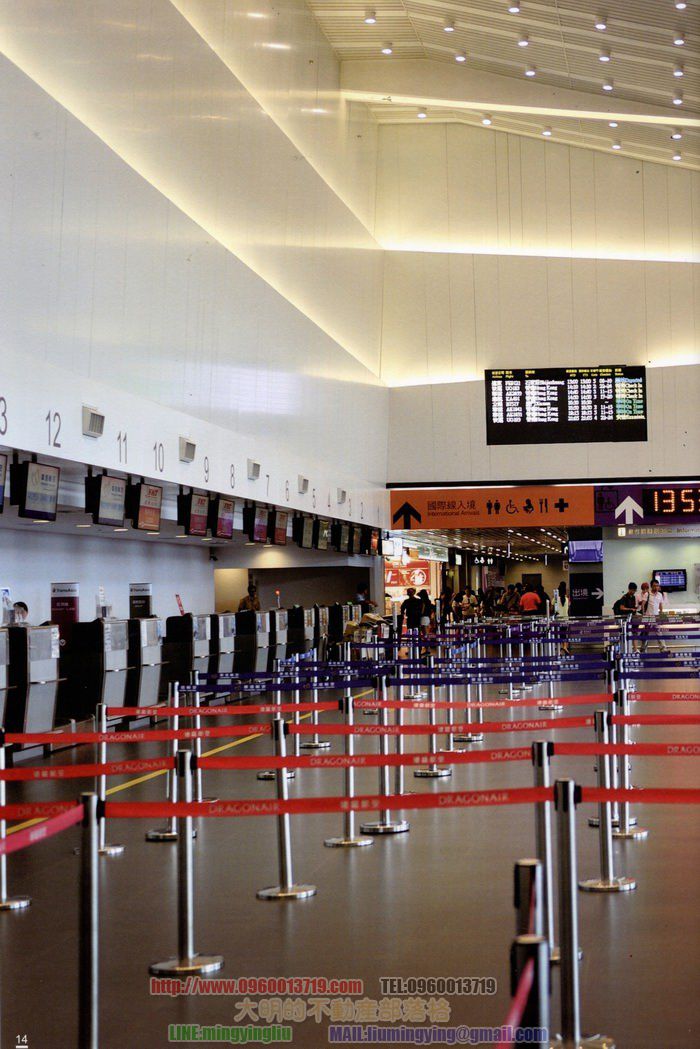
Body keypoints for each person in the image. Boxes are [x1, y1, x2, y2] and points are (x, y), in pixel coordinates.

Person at [639, 579, 668, 652]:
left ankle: (663, 648)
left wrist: (661, 614)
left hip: (656, 617)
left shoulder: (660, 595)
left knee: (659, 632)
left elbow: (660, 605)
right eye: (654, 586)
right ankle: (643, 649)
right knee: (646, 633)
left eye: (657, 586)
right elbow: (643, 605)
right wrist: (643, 615)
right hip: (648, 617)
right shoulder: (647, 594)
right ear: (651, 586)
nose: (656, 587)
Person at [553, 581, 570, 654]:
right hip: (565, 619)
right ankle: (565, 647)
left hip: (558, 619)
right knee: (564, 634)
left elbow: (552, 606)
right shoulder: (567, 599)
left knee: (558, 634)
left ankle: (559, 648)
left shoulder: (556, 598)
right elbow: (568, 607)